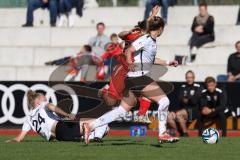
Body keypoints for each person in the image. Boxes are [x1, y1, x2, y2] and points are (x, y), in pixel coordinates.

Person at [83, 16, 179, 145]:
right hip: (138, 78)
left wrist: (168, 62)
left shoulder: (150, 40)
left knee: (121, 111)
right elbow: (129, 50)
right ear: (161, 29)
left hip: (132, 79)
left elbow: (151, 59)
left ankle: (91, 125)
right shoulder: (146, 39)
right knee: (164, 101)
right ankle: (162, 133)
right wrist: (128, 61)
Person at [6, 90, 109, 143]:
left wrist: (10, 141)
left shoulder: (28, 118)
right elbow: (52, 107)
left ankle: (89, 137)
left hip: (60, 137)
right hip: (62, 127)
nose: (45, 99)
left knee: (105, 128)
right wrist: (67, 114)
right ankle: (96, 137)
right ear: (37, 101)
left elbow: (19, 138)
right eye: (43, 98)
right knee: (102, 121)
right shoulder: (42, 105)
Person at [167, 70, 202, 137]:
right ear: (186, 78)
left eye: (191, 77)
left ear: (194, 78)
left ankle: (185, 133)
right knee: (169, 116)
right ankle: (180, 132)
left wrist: (187, 99)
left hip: (194, 110)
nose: (189, 79)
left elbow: (194, 101)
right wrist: (189, 99)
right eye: (187, 77)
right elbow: (180, 99)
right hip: (183, 108)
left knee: (179, 114)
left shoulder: (198, 87)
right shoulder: (183, 87)